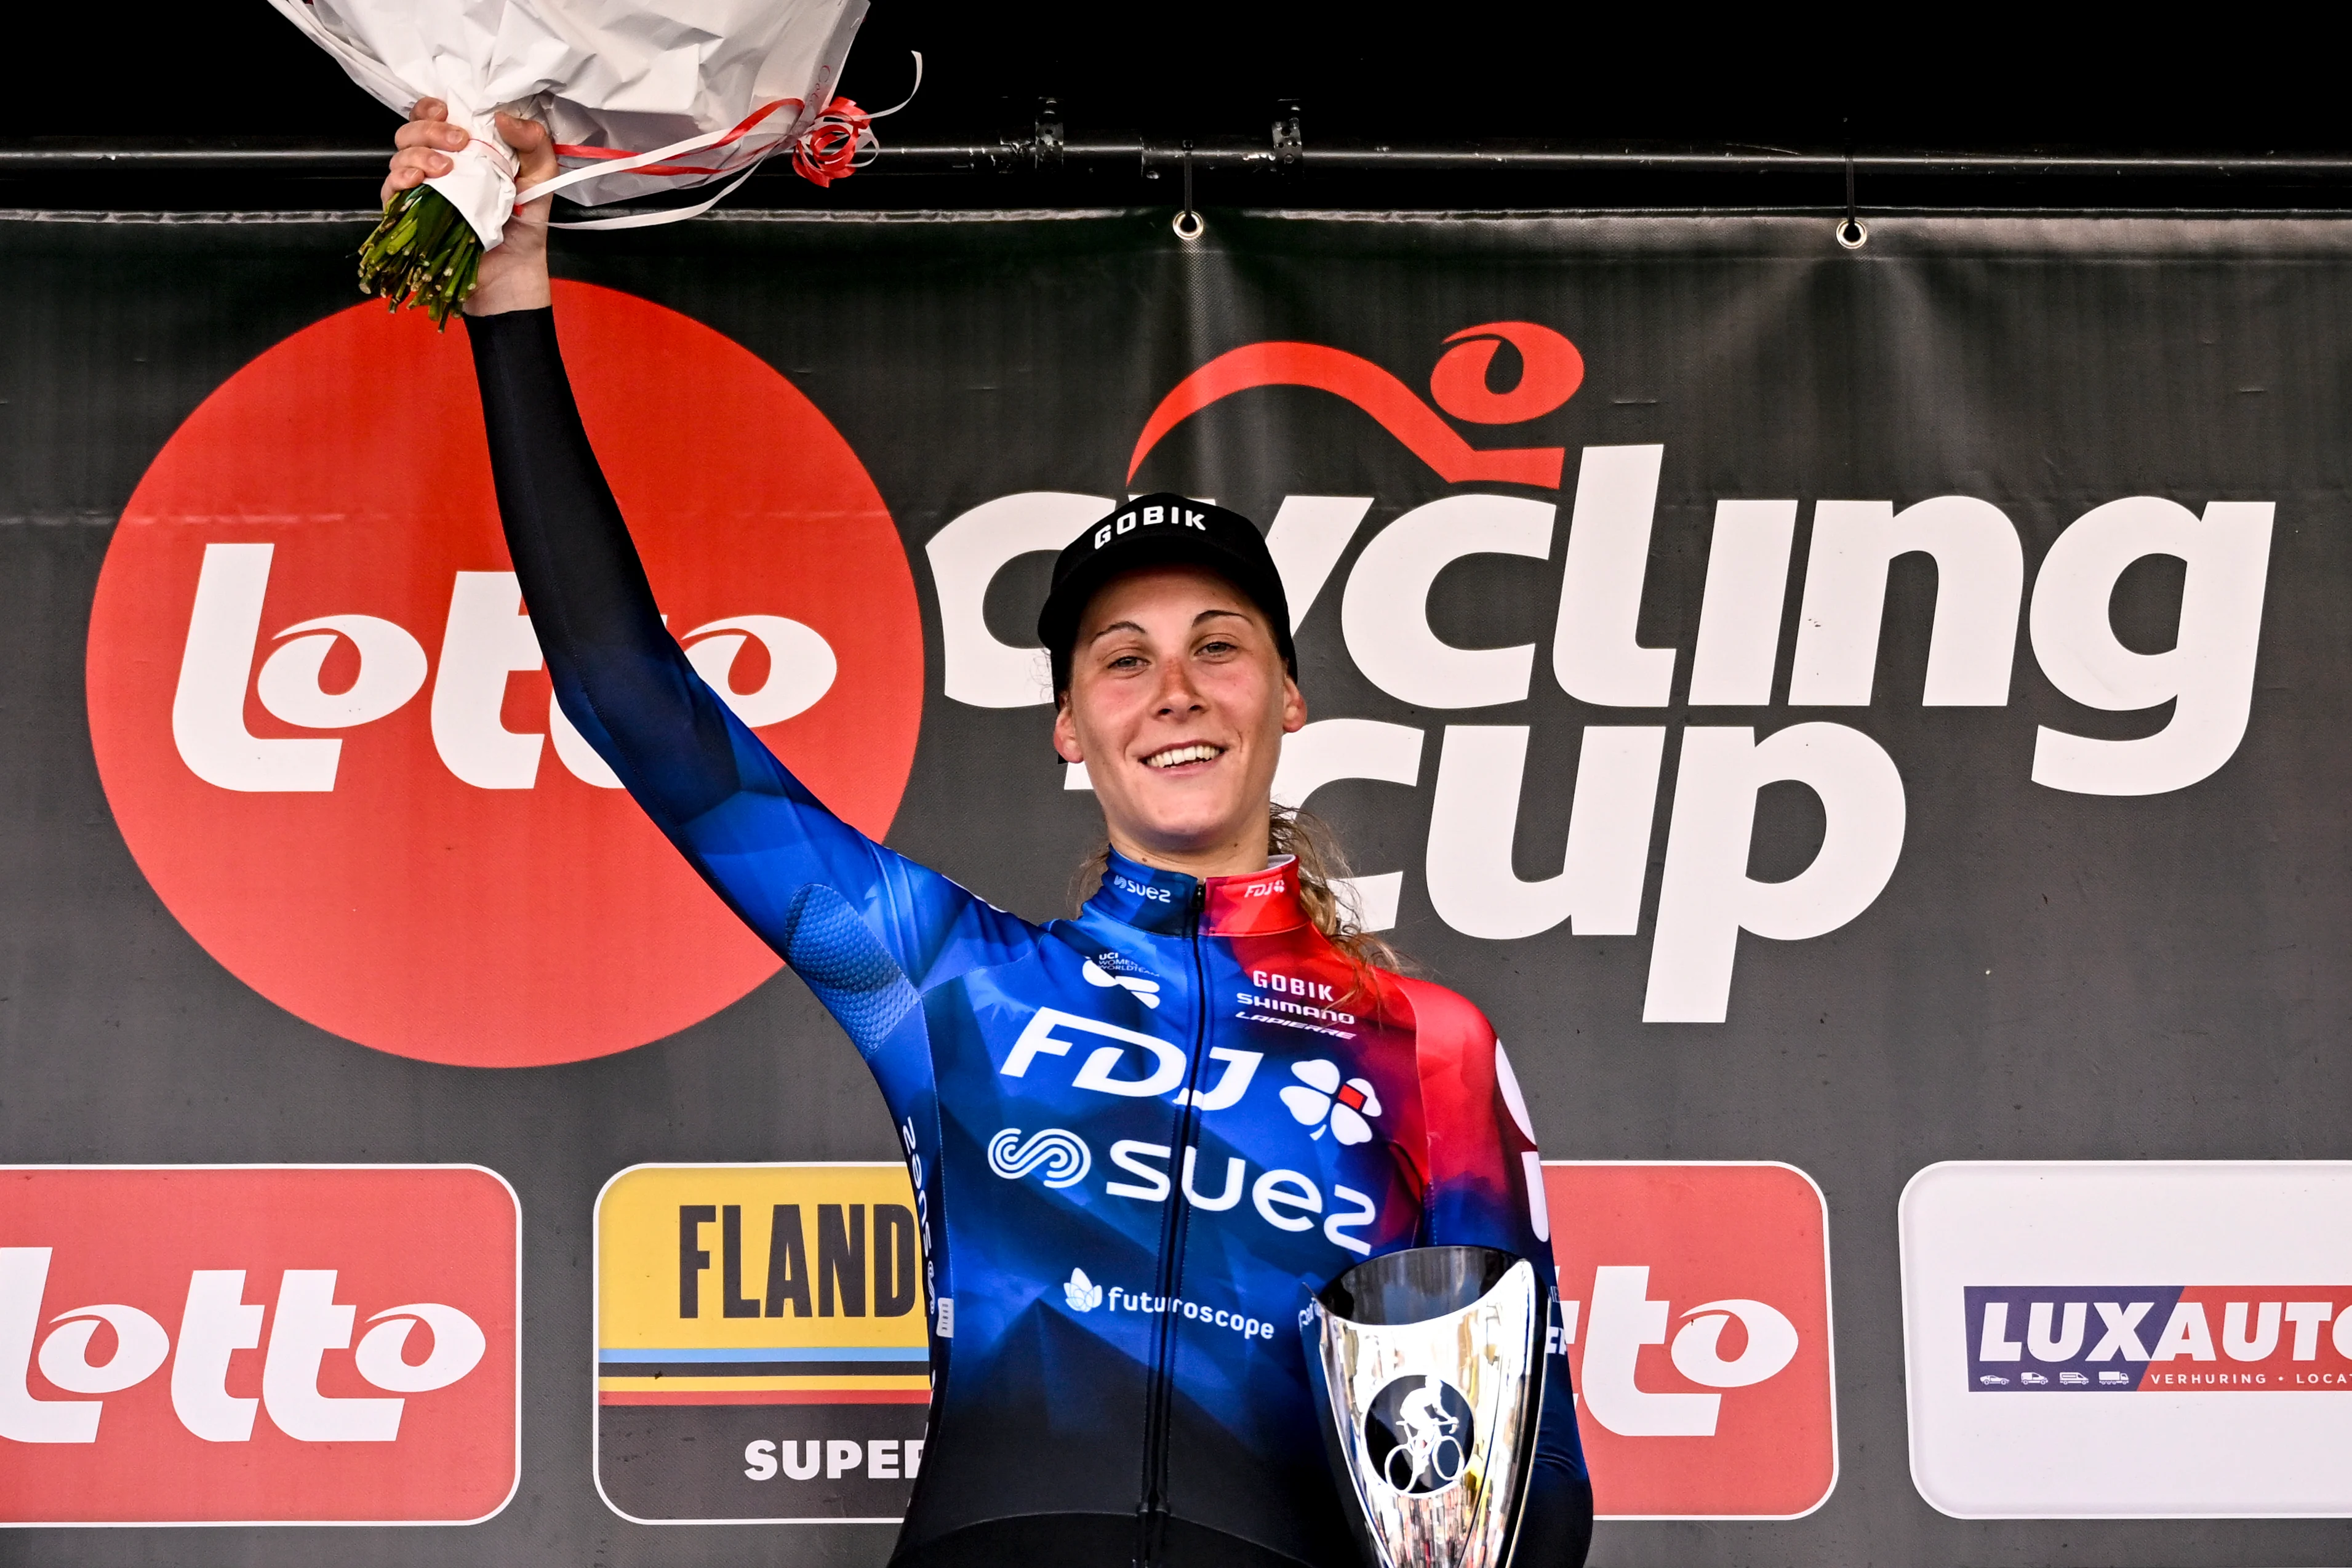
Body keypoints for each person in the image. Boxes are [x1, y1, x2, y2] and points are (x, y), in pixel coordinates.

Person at [388, 103, 1593, 1568]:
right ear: (1070, 731)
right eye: (1119, 659)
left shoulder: (1429, 1045)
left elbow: (1535, 1496)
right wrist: (512, 299)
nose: (1175, 691)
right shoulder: (947, 977)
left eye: (1219, 645)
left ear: (1287, 693)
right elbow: (629, 693)